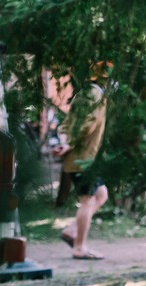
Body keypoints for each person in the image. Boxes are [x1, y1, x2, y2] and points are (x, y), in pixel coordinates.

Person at [53, 62, 111, 260]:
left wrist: (64, 141)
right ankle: (79, 247)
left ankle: (71, 231)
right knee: (87, 200)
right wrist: (68, 143)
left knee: (101, 194)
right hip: (82, 158)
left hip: (85, 157)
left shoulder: (86, 93)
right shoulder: (94, 95)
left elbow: (68, 123)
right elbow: (86, 124)